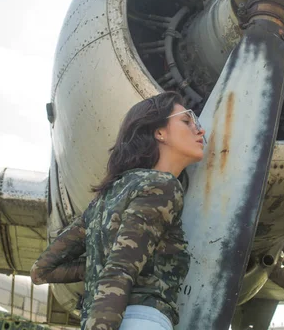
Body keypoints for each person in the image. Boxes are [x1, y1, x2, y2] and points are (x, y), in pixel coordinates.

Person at [30, 91, 206, 330]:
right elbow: (120, 269)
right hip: (139, 320)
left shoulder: (105, 198)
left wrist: (96, 266)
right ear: (159, 132)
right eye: (186, 121)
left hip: (106, 318)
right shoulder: (162, 186)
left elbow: (42, 270)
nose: (200, 130)